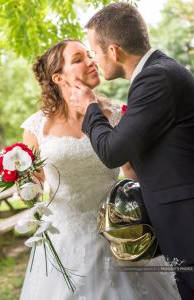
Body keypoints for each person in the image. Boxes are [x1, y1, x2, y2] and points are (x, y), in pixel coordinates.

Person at [20, 39, 179, 300]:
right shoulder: (37, 126)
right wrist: (21, 182)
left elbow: (132, 173)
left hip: (118, 232)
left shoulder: (117, 114)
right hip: (65, 237)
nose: (91, 61)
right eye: (78, 59)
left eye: (89, 55)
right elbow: (34, 185)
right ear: (58, 78)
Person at [69, 3, 194, 300]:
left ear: (113, 51)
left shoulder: (156, 78)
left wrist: (90, 108)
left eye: (94, 52)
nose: (94, 61)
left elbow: (112, 151)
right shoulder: (159, 71)